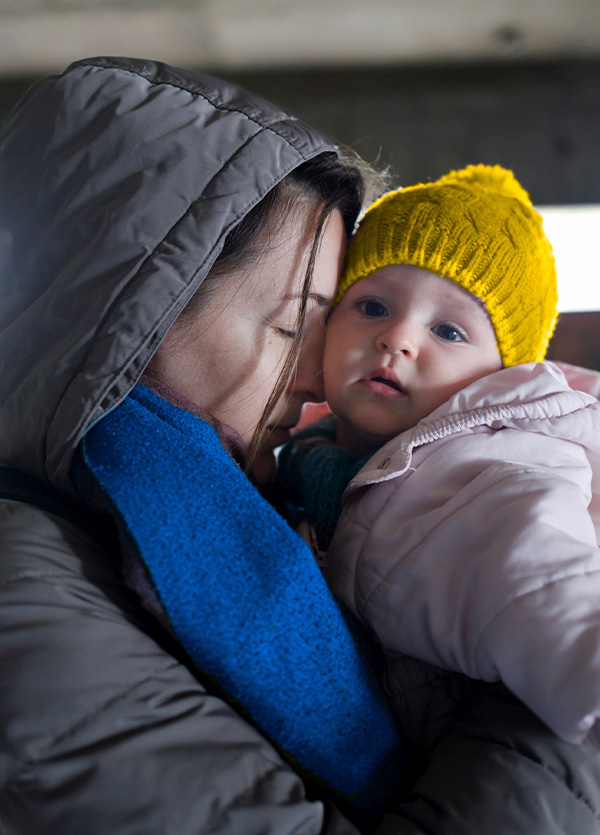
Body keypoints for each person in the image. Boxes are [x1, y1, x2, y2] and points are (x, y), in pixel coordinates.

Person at [1, 58, 600, 835]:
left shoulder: (274, 503)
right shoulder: (29, 594)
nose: (320, 370)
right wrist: (534, 701)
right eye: (294, 325)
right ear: (139, 312)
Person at [279, 162, 600, 744]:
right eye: (373, 306)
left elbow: (555, 600)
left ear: (500, 378)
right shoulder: (303, 459)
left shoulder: (486, 479)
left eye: (449, 332)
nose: (398, 337)